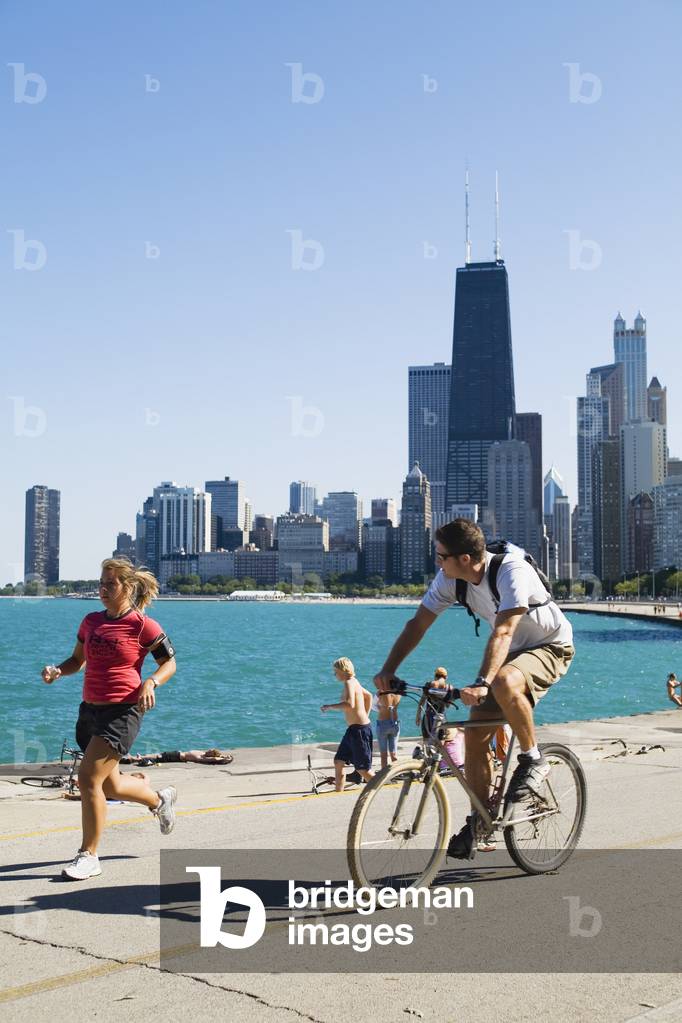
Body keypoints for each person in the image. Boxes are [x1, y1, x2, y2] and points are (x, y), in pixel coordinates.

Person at [374, 518, 575, 860]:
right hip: (509, 655)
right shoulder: (451, 580)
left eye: (441, 556)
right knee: (476, 737)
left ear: (464, 559)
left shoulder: (511, 571)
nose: (437, 562)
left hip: (549, 646)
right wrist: (388, 670)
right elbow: (418, 623)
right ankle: (481, 819)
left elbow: (504, 632)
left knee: (503, 680)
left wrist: (482, 683)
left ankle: (533, 759)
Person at [41, 558, 178, 881]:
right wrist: (58, 671)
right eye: (101, 583)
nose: (102, 589)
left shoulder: (144, 625)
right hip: (90, 711)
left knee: (88, 779)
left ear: (127, 587)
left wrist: (151, 681)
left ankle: (88, 855)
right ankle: (160, 799)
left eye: (110, 584)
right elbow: (78, 660)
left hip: (123, 712)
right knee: (111, 785)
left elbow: (169, 664)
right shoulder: (90, 621)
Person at [321, 657, 375, 791]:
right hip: (354, 729)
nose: (335, 675)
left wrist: (330, 706)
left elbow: (350, 704)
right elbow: (368, 696)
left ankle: (381, 788)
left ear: (343, 671)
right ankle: (338, 793)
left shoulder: (349, 683)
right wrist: (365, 715)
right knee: (339, 761)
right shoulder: (353, 681)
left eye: (336, 671)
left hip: (360, 731)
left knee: (363, 769)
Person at [375, 690, 401, 770]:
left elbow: (373, 705)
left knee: (383, 754)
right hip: (395, 722)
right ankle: (396, 772)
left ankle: (384, 775)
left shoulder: (381, 692)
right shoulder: (398, 693)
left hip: (383, 723)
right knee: (393, 753)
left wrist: (381, 708)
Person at [121, 748, 233, 765]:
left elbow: (215, 759)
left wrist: (226, 758)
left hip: (177, 757)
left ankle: (132, 759)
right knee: (157, 755)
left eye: (210, 751)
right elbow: (217, 756)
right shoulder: (203, 754)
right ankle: (137, 758)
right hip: (177, 754)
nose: (208, 750)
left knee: (157, 757)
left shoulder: (204, 758)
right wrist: (224, 755)